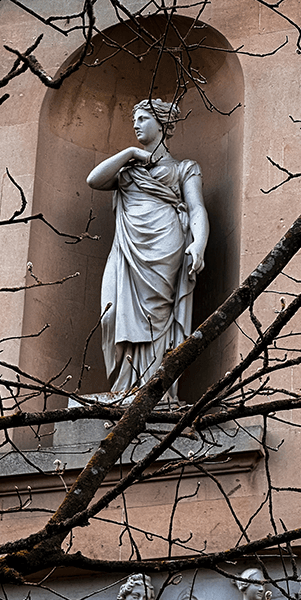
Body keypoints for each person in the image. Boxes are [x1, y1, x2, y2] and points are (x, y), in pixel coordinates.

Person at [86, 99, 209, 394]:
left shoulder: (184, 168)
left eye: (143, 119)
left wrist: (199, 245)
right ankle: (123, 388)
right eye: (135, 120)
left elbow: (197, 209)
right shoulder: (127, 169)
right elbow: (93, 179)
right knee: (112, 315)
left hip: (165, 245)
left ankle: (151, 391)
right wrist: (130, 153)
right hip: (127, 248)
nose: (136, 125)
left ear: (162, 124)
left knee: (157, 318)